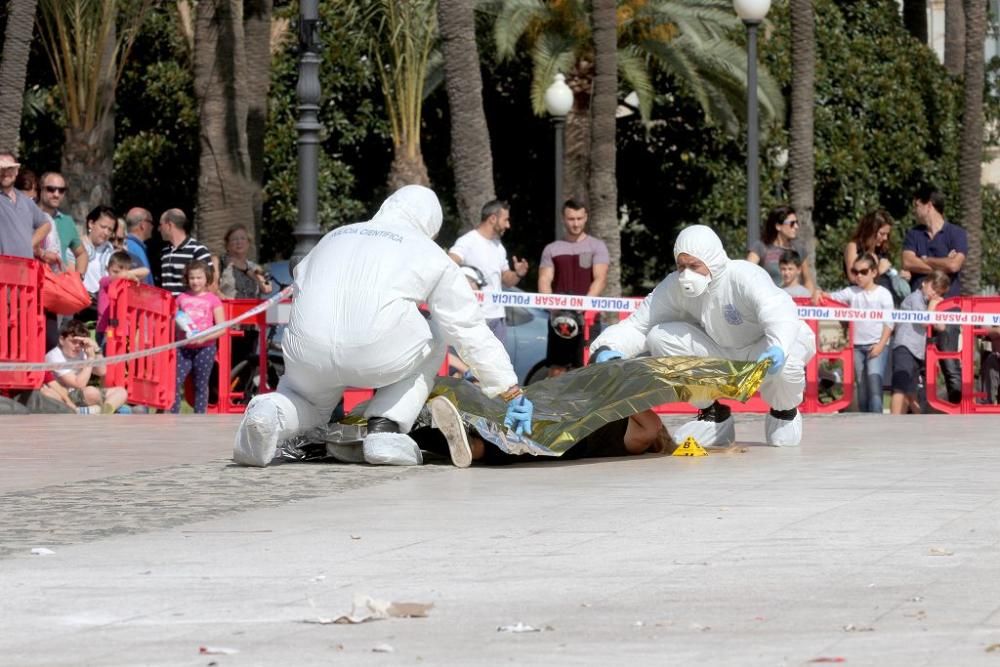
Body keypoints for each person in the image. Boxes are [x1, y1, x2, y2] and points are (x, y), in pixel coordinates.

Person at [232, 185, 532, 468]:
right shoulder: (428, 252)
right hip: (376, 353)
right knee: (438, 333)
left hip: (308, 349)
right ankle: (386, 430)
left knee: (305, 400)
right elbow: (466, 327)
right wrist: (509, 390)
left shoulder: (334, 236)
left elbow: (303, 280)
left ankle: (270, 412)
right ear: (430, 224)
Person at [588, 225, 816, 447]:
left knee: (787, 359)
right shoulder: (674, 287)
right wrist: (606, 347)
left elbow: (778, 310)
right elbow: (639, 325)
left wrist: (778, 346)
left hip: (764, 349)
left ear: (712, 259)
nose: (686, 273)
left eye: (694, 265)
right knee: (660, 337)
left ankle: (784, 411)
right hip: (723, 351)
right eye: (681, 266)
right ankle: (713, 415)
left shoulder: (743, 276)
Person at [425, 395, 672, 468]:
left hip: (576, 439)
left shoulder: (640, 439)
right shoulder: (628, 429)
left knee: (519, 443)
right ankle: (443, 439)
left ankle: (469, 445)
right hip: (570, 425)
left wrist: (613, 383)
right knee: (517, 438)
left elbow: (635, 403)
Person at [902, 185, 966, 404]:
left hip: (948, 307)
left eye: (917, 205)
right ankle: (921, 410)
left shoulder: (956, 233)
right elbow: (907, 261)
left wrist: (925, 260)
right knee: (919, 360)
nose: (915, 210)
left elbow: (956, 265)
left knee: (949, 361)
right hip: (919, 307)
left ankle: (957, 406)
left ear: (928, 205)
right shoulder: (913, 234)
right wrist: (942, 266)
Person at [815, 254, 895, 414]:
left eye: (863, 271)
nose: (858, 275)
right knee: (862, 386)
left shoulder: (883, 293)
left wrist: (880, 345)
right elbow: (829, 297)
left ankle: (876, 422)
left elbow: (889, 322)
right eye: (855, 271)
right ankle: (865, 422)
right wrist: (818, 292)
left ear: (873, 272)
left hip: (876, 345)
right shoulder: (851, 292)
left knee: (874, 383)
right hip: (857, 346)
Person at [538, 199, 609, 376]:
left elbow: (600, 279)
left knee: (585, 368)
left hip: (588, 318)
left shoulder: (597, 246)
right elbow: (544, 279)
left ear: (586, 218)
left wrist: (584, 307)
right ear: (563, 218)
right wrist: (552, 308)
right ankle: (552, 404)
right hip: (559, 318)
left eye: (579, 218)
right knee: (557, 368)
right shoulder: (551, 249)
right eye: (571, 219)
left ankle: (586, 405)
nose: (575, 223)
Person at [447, 199, 529, 344]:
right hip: (475, 319)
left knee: (496, 366)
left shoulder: (498, 246)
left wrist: (518, 274)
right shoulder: (468, 241)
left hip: (498, 318)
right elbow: (447, 264)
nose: (508, 225)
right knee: (470, 365)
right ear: (492, 219)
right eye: (505, 220)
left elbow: (507, 281)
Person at [889, 271, 950, 415]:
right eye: (933, 288)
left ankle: (918, 421)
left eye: (938, 292)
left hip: (916, 351)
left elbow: (941, 327)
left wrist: (936, 308)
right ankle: (892, 422)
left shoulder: (928, 304)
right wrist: (933, 305)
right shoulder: (915, 298)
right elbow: (924, 321)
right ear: (924, 283)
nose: (934, 293)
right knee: (900, 386)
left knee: (911, 390)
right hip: (904, 347)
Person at [170, 260, 225, 414]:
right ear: (187, 279)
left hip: (205, 348)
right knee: (175, 381)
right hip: (183, 347)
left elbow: (222, 327)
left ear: (207, 278)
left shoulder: (213, 299)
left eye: (199, 277)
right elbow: (173, 321)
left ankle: (200, 417)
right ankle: (174, 414)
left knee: (201, 384)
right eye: (192, 278)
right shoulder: (181, 298)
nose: (195, 281)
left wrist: (205, 338)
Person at [43, 318, 128, 414]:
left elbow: (102, 371)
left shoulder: (82, 352)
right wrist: (90, 359)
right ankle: (103, 408)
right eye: (74, 342)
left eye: (81, 343)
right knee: (91, 392)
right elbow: (78, 384)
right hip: (64, 395)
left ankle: (102, 411)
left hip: (81, 395)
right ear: (62, 340)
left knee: (121, 392)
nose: (78, 346)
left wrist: (96, 349)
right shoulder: (54, 356)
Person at [844, 209, 910, 305]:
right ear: (870, 230)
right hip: (862, 304)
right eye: (882, 234)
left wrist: (899, 277)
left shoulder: (881, 251)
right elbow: (853, 278)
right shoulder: (853, 247)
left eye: (887, 234)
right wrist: (878, 271)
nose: (885, 238)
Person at [747, 205, 817, 294]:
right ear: (778, 226)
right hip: (768, 300)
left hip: (794, 301)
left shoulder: (799, 248)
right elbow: (747, 275)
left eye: (797, 222)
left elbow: (808, 281)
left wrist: (808, 302)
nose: (796, 226)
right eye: (792, 223)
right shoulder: (760, 247)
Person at [0, 150, 52, 261]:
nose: (4, 173)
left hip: (24, 270)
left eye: (9, 168)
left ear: (16, 171)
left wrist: (28, 244)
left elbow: (45, 225)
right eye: (1, 168)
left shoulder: (25, 200)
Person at [96, 251, 150, 347]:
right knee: (107, 354)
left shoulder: (127, 283)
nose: (118, 275)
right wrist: (127, 275)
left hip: (125, 332)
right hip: (106, 330)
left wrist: (129, 274)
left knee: (123, 359)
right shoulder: (105, 281)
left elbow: (146, 271)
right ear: (107, 269)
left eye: (123, 272)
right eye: (114, 271)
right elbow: (120, 277)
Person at [37, 171, 87, 273]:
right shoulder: (27, 214)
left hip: (57, 284)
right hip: (32, 279)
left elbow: (81, 254)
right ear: (41, 189)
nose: (56, 194)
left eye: (61, 190)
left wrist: (78, 277)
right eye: (51, 189)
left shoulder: (66, 221)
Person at [159, 208, 211, 295]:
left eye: (161, 225)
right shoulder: (165, 252)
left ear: (169, 225)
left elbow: (209, 284)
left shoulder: (198, 250)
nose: (159, 229)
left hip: (189, 307)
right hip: (166, 306)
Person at [218, 223, 273, 299]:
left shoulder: (255, 267)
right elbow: (211, 289)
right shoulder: (220, 264)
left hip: (252, 309)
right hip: (229, 308)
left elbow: (267, 289)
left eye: (243, 238)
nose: (239, 242)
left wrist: (247, 270)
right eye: (234, 239)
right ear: (227, 244)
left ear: (248, 243)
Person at [80, 206, 117, 307]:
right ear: (91, 223)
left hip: (102, 307)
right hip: (79, 304)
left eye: (110, 229)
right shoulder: (77, 246)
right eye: (103, 227)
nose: (106, 233)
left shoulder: (112, 254)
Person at [123, 207, 155, 284]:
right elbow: (145, 282)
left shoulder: (125, 244)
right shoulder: (136, 249)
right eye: (151, 222)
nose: (152, 227)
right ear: (142, 225)